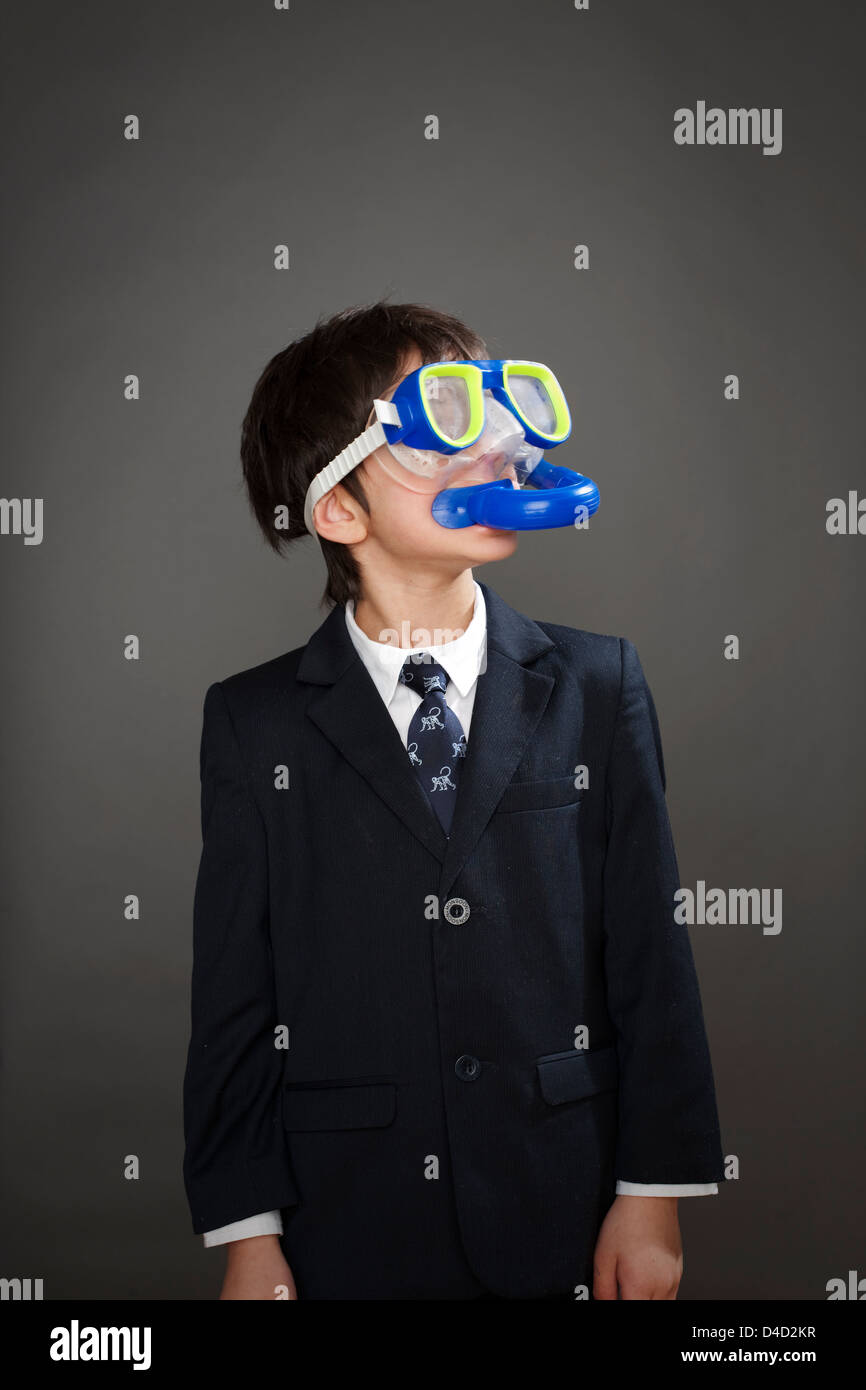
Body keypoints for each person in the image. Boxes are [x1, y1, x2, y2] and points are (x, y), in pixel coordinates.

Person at [182, 300, 725, 1300]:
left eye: (489, 414)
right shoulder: (252, 724)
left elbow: (649, 948)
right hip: (344, 1215)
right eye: (438, 427)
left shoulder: (599, 686)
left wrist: (651, 1191)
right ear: (338, 509)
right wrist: (247, 1232)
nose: (489, 451)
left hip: (559, 1192)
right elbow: (235, 997)